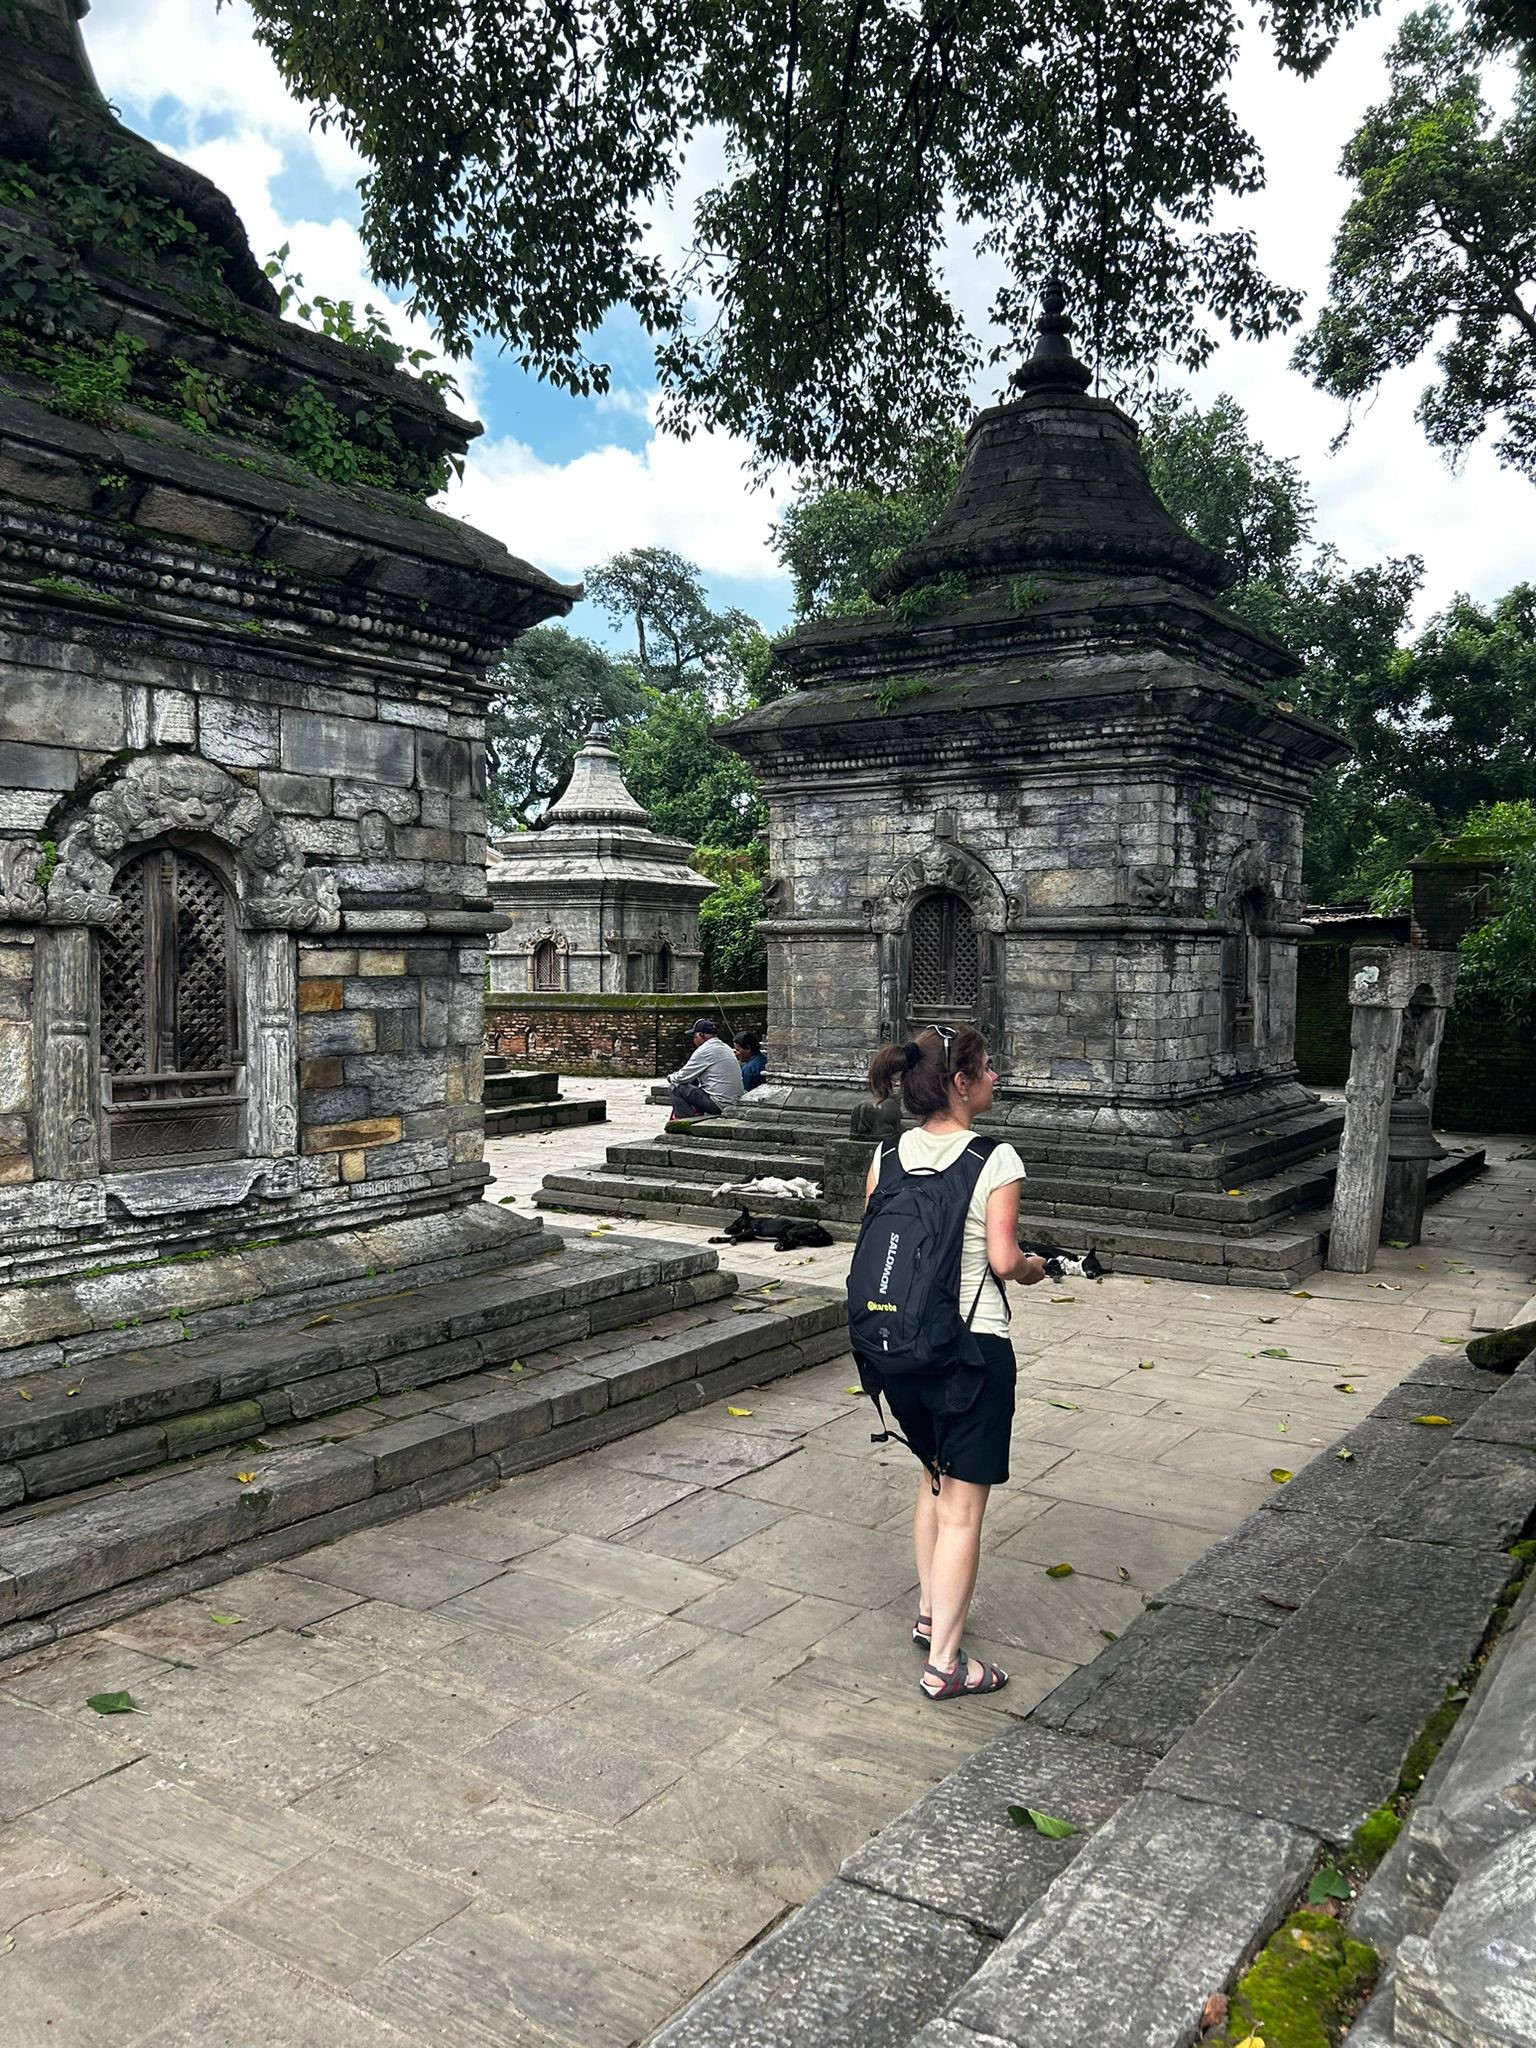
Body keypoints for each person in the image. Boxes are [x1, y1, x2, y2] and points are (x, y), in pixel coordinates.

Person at [862, 1025, 1046, 1701]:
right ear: (960, 1084)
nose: (996, 1077)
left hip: (901, 1349)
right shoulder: (994, 1159)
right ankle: (945, 1663)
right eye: (988, 1068)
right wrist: (1034, 1269)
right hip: (973, 1349)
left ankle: (930, 1611)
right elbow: (1002, 1261)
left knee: (932, 1480)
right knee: (964, 1509)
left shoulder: (888, 1154)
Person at [667, 1018, 745, 1119]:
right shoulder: (725, 1047)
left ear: (701, 1036)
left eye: (694, 1037)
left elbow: (682, 1077)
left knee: (675, 1087)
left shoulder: (704, 1051)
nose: (693, 1040)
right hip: (734, 1100)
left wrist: (671, 1077)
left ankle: (686, 1120)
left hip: (719, 1103)